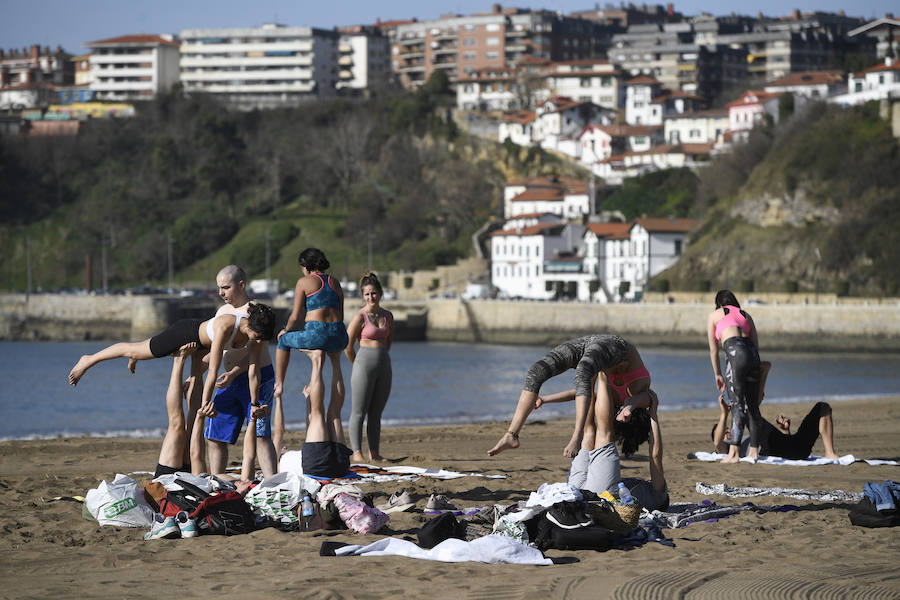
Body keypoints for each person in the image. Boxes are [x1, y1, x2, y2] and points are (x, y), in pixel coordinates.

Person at [486, 334, 632, 458]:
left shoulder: (610, 398)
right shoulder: (624, 397)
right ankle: (513, 434)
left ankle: (513, 435)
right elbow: (579, 394)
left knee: (564, 373)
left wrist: (545, 399)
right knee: (540, 371)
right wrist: (632, 406)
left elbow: (578, 395)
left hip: (600, 345)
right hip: (613, 344)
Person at [275, 248, 351, 477]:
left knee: (284, 342)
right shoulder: (336, 283)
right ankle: (335, 363)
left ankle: (279, 382)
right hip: (339, 335)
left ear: (305, 266)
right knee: (336, 365)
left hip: (317, 334)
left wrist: (285, 331)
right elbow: (341, 314)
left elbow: (295, 316)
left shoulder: (304, 282)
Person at [202, 265, 278, 481]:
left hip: (257, 377)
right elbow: (217, 351)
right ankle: (218, 479)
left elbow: (255, 355)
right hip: (228, 381)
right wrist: (197, 372)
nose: (221, 293)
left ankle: (272, 482)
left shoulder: (254, 312)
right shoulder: (222, 312)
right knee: (215, 432)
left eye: (225, 287)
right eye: (219, 288)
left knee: (261, 434)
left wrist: (234, 372)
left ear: (241, 285)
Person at [712, 362, 840, 461]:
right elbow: (718, 442)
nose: (728, 430)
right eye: (724, 431)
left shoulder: (747, 437)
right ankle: (762, 375)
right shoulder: (728, 449)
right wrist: (724, 414)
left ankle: (830, 453)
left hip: (796, 449)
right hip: (770, 449)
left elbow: (785, 447)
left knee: (823, 407)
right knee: (748, 412)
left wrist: (785, 431)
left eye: (728, 428)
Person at [570, 389, 668, 510]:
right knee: (589, 431)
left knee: (602, 432)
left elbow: (655, 456)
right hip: (575, 492)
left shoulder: (659, 496)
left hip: (600, 497)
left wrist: (653, 414)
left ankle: (601, 373)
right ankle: (591, 379)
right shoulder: (647, 492)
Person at [706, 289, 762, 463]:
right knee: (753, 406)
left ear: (718, 303)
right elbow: (756, 345)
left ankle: (734, 453)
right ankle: (753, 452)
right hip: (753, 355)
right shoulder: (746, 315)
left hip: (736, 352)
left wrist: (717, 374)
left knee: (737, 404)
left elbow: (713, 350)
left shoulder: (714, 315)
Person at [345, 272, 394, 463]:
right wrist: (358, 364)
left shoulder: (388, 316)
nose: (370, 297)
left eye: (373, 293)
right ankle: (357, 452)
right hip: (363, 365)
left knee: (376, 412)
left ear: (380, 294)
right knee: (359, 411)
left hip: (384, 365)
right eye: (367, 294)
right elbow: (348, 346)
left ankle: (374, 452)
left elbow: (389, 341)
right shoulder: (360, 316)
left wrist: (380, 357)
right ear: (363, 296)